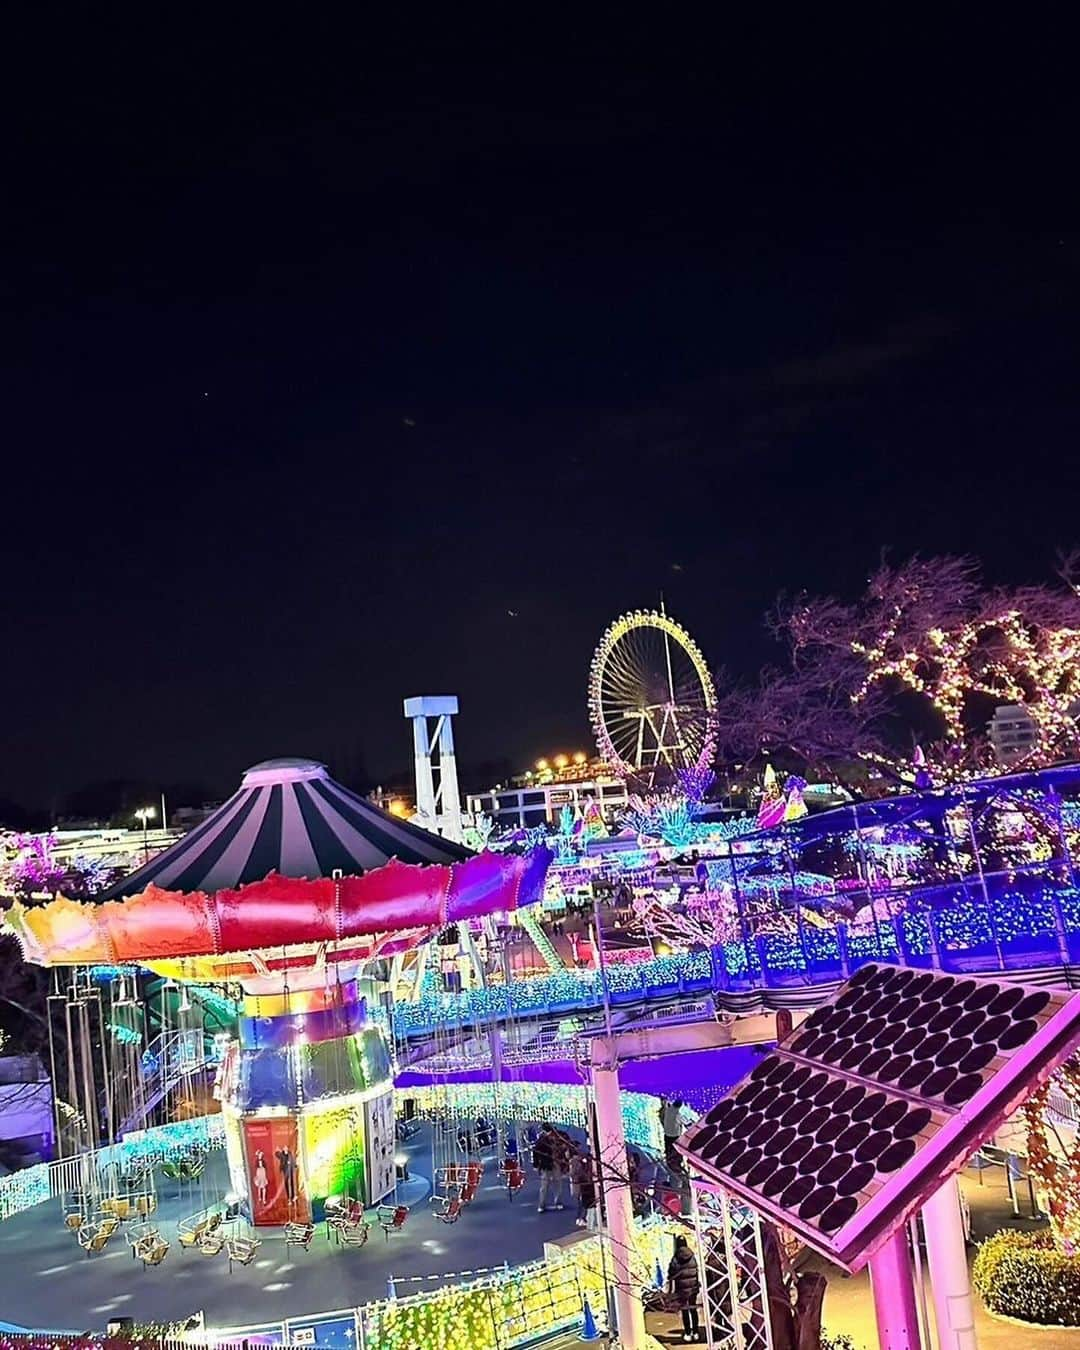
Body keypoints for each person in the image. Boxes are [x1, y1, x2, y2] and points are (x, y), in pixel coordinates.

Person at [668, 1235, 702, 1343]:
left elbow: (671, 1274)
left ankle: (688, 1333)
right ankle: (696, 1332)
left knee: (685, 1310)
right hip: (693, 1289)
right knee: (693, 1309)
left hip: (681, 1290)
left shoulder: (675, 1258)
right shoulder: (692, 1257)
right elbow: (696, 1271)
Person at [532, 1122, 563, 1212]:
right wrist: (536, 1164)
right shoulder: (542, 1140)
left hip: (553, 1162)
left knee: (552, 1184)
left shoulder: (549, 1138)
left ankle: (548, 1204)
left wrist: (536, 1165)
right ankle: (544, 1204)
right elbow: (536, 1152)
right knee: (549, 1184)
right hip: (548, 1163)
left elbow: (535, 1152)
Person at [570, 1148, 598, 1229]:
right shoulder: (577, 1163)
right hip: (580, 1187)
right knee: (581, 1204)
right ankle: (580, 1218)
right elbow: (577, 1174)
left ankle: (580, 1218)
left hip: (579, 1186)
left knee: (581, 1203)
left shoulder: (574, 1162)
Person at [660, 1098, 685, 1169]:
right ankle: (676, 1164)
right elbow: (684, 1122)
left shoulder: (668, 1110)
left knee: (668, 1148)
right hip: (675, 1135)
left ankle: (668, 1160)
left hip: (667, 1134)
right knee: (676, 1151)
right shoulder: (678, 1114)